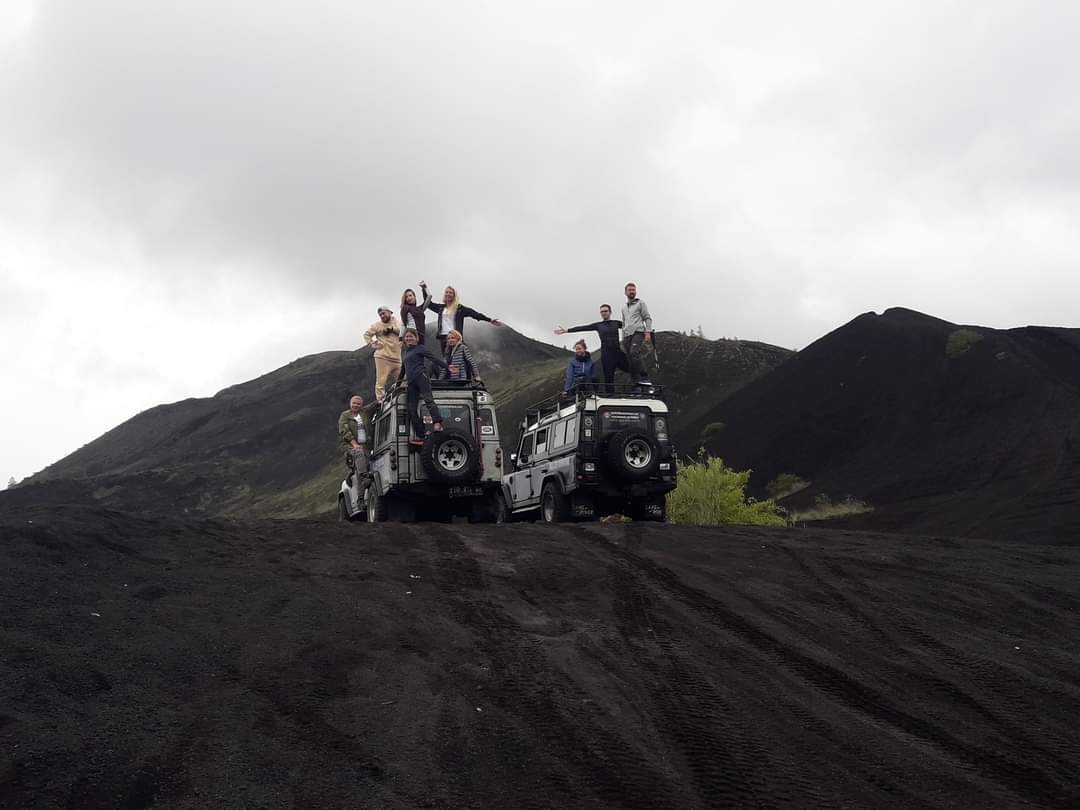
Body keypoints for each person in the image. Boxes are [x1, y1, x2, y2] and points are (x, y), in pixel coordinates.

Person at [397, 328, 457, 446]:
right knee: (411, 410)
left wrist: (447, 367)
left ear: (416, 338)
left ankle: (437, 423)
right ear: (404, 339)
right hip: (411, 383)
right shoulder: (405, 353)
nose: (409, 338)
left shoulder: (420, 348)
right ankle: (422, 436)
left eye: (411, 336)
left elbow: (433, 358)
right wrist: (397, 386)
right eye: (407, 337)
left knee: (428, 400)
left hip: (421, 377)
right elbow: (402, 370)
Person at [555, 303, 630, 394]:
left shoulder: (616, 323)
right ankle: (610, 396)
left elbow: (630, 326)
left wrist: (645, 331)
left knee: (630, 368)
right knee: (608, 376)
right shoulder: (598, 325)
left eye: (605, 311)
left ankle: (639, 384)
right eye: (601, 312)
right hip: (606, 354)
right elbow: (584, 327)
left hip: (617, 351)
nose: (603, 313)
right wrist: (567, 330)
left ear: (610, 312)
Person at [425, 284, 504, 353]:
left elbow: (474, 314)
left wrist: (489, 320)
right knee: (447, 360)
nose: (448, 294)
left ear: (454, 295)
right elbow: (428, 303)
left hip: (455, 336)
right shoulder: (440, 308)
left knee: (458, 359)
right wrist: (424, 288)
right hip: (443, 337)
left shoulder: (460, 308)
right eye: (446, 292)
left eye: (450, 292)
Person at [364, 306, 402, 401]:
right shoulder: (377, 325)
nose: (382, 316)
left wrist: (392, 329)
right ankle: (380, 401)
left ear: (390, 312)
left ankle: (402, 396)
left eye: (384, 313)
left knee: (402, 380)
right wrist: (372, 343)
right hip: (383, 357)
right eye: (380, 314)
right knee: (381, 381)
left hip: (396, 357)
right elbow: (366, 334)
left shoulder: (398, 323)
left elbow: (402, 331)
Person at [621, 282, 653, 384]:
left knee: (634, 353)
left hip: (638, 332)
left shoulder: (640, 303)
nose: (632, 292)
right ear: (625, 292)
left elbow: (647, 318)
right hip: (627, 335)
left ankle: (645, 377)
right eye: (629, 290)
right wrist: (623, 336)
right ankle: (635, 383)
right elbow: (623, 323)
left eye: (633, 290)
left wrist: (648, 332)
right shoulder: (624, 308)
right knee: (630, 359)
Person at [337, 395, 371, 492]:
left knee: (363, 465)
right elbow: (344, 431)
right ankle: (364, 477)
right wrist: (354, 444)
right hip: (349, 445)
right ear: (350, 404)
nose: (355, 405)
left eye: (358, 404)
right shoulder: (345, 415)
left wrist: (380, 400)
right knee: (359, 454)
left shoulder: (364, 412)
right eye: (354, 403)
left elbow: (374, 405)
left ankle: (361, 499)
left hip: (365, 444)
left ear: (361, 405)